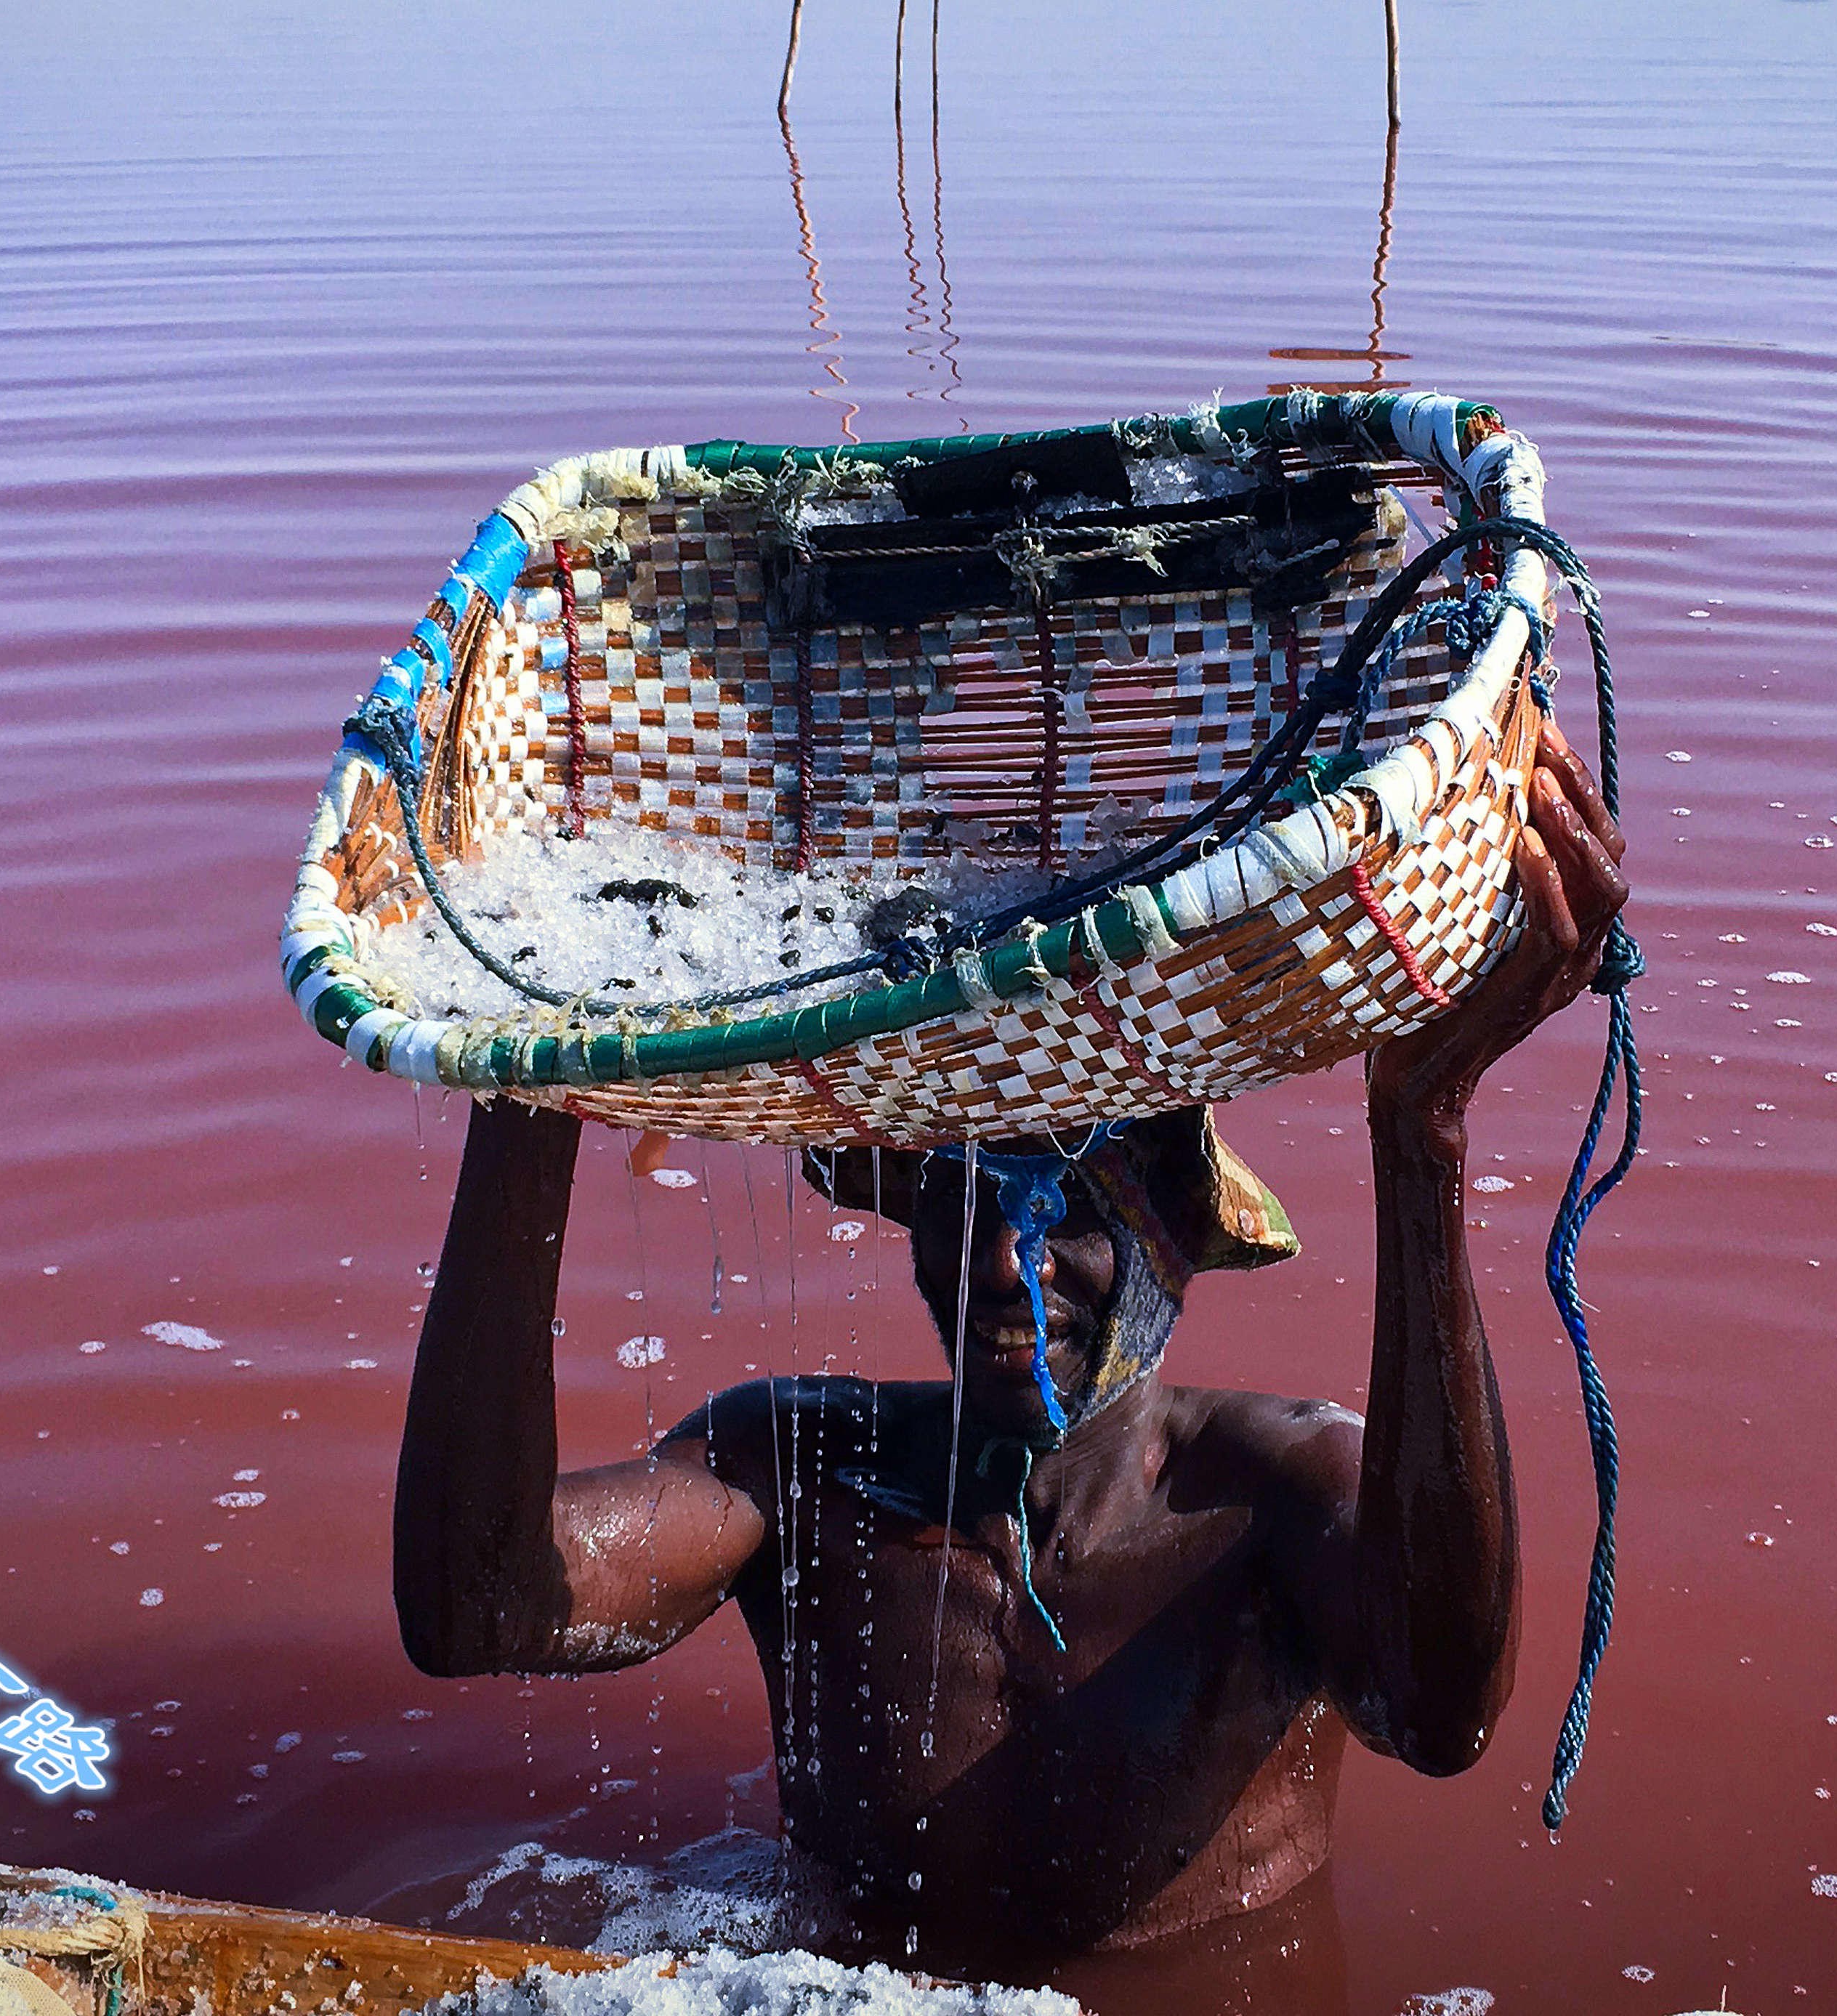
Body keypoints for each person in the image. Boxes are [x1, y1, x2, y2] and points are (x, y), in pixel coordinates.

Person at [391, 728, 1628, 1977]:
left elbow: (1445, 1714)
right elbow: (475, 1607)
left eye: (1072, 1215)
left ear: (1177, 1242)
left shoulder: (1277, 1500)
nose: (997, 1266)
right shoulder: (800, 1469)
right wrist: (528, 1090)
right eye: (963, 1201)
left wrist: (1423, 1133)